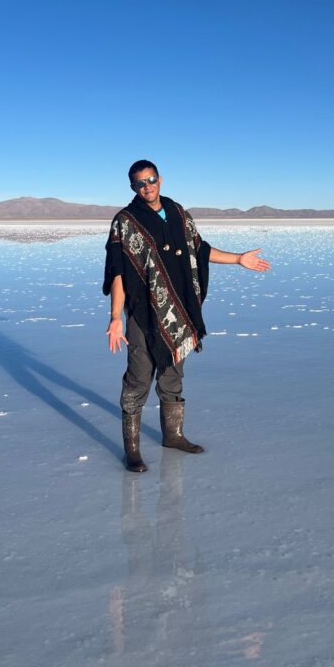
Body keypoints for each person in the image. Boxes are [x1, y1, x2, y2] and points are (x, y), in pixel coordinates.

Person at [103, 160, 271, 472]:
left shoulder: (178, 212)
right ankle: (133, 450)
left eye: (151, 179)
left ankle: (173, 436)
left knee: (172, 375)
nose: (147, 186)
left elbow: (199, 249)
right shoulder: (125, 222)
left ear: (160, 179)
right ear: (133, 187)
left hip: (178, 312)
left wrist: (238, 259)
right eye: (140, 183)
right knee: (139, 377)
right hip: (143, 313)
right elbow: (118, 272)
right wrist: (115, 317)